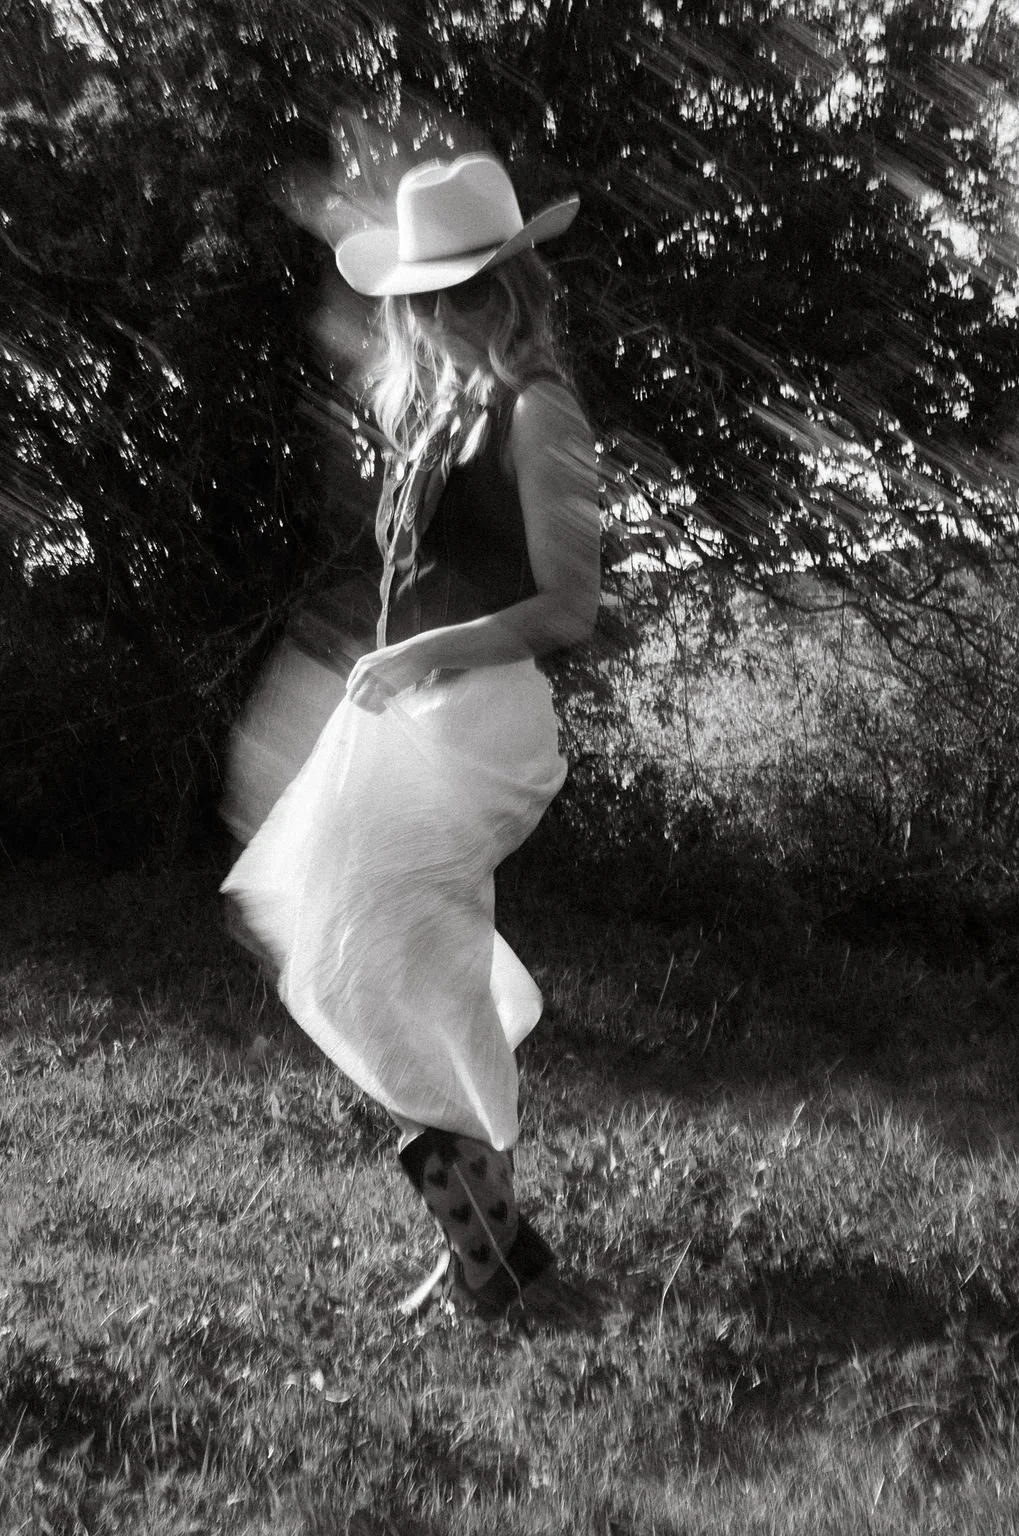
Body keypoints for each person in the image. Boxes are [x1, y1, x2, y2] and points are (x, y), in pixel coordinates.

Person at [221, 151, 601, 1318]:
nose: (413, 317)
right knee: (348, 940)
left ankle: (495, 1245)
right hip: (417, 713)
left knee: (360, 947)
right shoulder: (444, 408)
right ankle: (492, 1242)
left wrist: (427, 653)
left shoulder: (538, 412)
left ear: (488, 292)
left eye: (433, 295)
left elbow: (569, 607)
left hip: (481, 721)